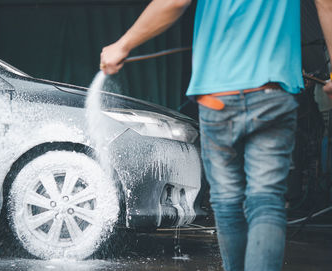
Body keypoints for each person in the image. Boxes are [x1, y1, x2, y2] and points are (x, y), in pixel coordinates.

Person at [100, 0, 332, 270]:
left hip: (218, 95)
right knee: (266, 199)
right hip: (272, 91)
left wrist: (123, 44)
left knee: (227, 201)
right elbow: (326, 4)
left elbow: (175, 2)